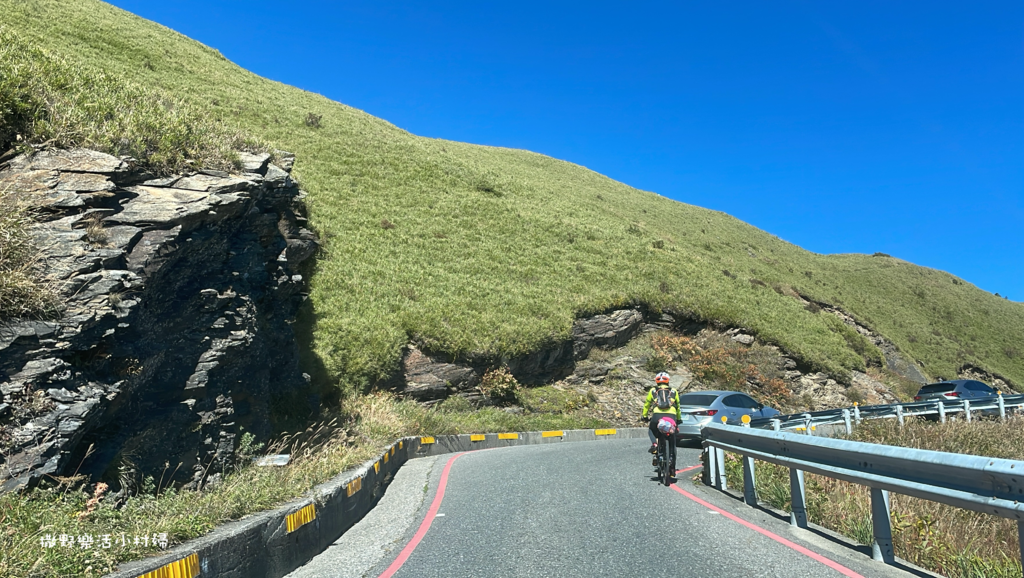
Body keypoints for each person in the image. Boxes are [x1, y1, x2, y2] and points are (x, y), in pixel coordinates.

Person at [641, 371, 681, 471]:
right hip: (671, 416)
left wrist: (644, 416)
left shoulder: (653, 391)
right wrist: (679, 419)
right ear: (668, 381)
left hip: (657, 415)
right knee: (672, 438)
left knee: (651, 429)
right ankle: (672, 465)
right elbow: (678, 407)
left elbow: (647, 404)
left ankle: (654, 444)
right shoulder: (674, 391)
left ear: (656, 381)